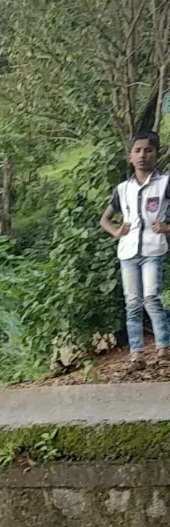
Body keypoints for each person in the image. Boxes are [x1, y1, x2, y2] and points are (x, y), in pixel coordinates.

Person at [100, 129, 170, 371]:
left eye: (148, 150)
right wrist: (116, 231)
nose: (142, 155)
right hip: (128, 252)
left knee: (151, 299)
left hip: (153, 249)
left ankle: (163, 348)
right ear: (129, 156)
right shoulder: (123, 189)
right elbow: (105, 219)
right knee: (132, 303)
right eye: (137, 151)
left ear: (156, 154)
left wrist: (167, 227)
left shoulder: (165, 183)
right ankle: (136, 354)